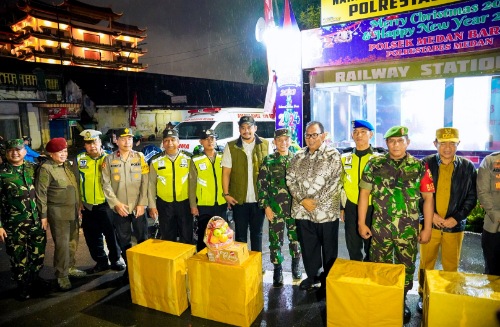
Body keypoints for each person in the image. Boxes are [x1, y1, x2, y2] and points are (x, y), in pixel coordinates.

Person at [357, 126, 434, 323]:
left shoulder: (420, 167)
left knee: (405, 268)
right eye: (392, 141)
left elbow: (428, 199)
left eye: (400, 141)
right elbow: (364, 194)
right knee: (380, 267)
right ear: (387, 144)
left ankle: (401, 300)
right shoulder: (374, 165)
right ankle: (382, 299)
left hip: (407, 231)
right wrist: (361, 222)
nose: (396, 145)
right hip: (380, 229)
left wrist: (427, 228)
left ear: (408, 142)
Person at [416, 127, 477, 313]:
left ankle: (449, 297)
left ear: (458, 144)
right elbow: (416, 194)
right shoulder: (425, 164)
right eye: (443, 143)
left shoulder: (467, 167)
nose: (447, 147)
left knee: (451, 264)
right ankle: (423, 295)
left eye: (452, 143)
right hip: (429, 224)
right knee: (427, 262)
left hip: (454, 226)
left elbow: (472, 196)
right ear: (435, 144)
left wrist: (456, 218)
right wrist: (430, 215)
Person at [286, 121, 343, 291]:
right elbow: (290, 179)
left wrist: (315, 203)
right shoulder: (298, 156)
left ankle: (328, 280)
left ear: (323, 136)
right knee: (308, 246)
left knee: (329, 249)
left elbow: (335, 183)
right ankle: (312, 277)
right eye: (308, 135)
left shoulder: (333, 155)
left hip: (325, 212)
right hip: (302, 211)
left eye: (314, 135)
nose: (310, 139)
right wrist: (303, 200)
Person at [35, 137, 86, 291]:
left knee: (73, 242)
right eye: (59, 152)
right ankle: (61, 275)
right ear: (51, 153)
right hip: (58, 214)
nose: (63, 154)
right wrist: (43, 216)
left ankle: (70, 267)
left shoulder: (67, 166)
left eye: (64, 151)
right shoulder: (46, 169)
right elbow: (41, 194)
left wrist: (79, 207)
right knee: (62, 245)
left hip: (73, 211)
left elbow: (74, 187)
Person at [0, 139, 46, 300]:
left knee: (37, 254)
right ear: (6, 153)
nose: (15, 152)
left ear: (25, 151)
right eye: (11, 150)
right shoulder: (2, 173)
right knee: (18, 257)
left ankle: (34, 279)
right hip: (13, 224)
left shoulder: (33, 168)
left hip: (36, 221)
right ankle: (22, 285)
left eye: (18, 149)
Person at [101, 127, 149, 283]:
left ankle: (144, 269)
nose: (127, 142)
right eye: (123, 139)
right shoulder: (108, 160)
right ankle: (130, 270)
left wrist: (142, 204)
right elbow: (106, 184)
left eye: (129, 138)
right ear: (116, 140)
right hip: (120, 209)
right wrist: (115, 204)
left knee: (142, 239)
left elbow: (145, 182)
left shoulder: (140, 157)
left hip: (138, 208)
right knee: (124, 241)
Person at [76, 130, 125, 274]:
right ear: (85, 145)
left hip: (106, 204)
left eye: (94, 142)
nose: (92, 146)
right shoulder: (80, 159)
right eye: (88, 143)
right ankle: (101, 261)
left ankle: (116, 259)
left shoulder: (110, 158)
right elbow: (76, 182)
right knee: (92, 236)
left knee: (111, 234)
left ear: (100, 143)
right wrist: (79, 201)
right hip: (88, 205)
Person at [257, 128, 301, 288]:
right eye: (280, 140)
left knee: (295, 239)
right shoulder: (268, 161)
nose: (283, 143)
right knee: (275, 241)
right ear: (274, 142)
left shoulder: (297, 159)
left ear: (290, 141)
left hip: (294, 209)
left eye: (286, 140)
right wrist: (266, 207)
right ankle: (277, 269)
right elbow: (261, 186)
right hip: (275, 209)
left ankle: (296, 266)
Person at [222, 115, 270, 252]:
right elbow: (226, 172)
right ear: (239, 130)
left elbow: (270, 173)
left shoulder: (265, 145)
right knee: (240, 236)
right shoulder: (231, 146)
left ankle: (256, 266)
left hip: (258, 199)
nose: (246, 131)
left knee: (257, 234)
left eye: (249, 127)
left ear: (255, 128)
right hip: (239, 200)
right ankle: (242, 266)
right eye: (243, 128)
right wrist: (226, 194)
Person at [340, 120, 384, 262]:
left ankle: (369, 278)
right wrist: (342, 207)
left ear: (371, 134)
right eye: (356, 132)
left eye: (363, 132)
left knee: (372, 246)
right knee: (353, 246)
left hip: (373, 207)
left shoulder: (379, 157)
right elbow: (340, 183)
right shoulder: (344, 157)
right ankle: (357, 276)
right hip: (351, 206)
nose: (359, 135)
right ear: (352, 135)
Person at [148, 128, 192, 244]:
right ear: (163, 143)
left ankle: (186, 261)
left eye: (173, 140)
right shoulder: (155, 160)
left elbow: (194, 182)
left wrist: (194, 204)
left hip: (185, 203)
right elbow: (151, 184)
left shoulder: (189, 159)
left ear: (179, 142)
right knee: (168, 237)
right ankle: (171, 261)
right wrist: (152, 206)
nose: (170, 143)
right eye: (166, 140)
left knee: (187, 236)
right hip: (164, 204)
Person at [189, 129, 226, 251]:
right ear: (201, 141)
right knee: (204, 237)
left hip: (221, 203)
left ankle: (218, 262)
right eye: (206, 139)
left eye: (212, 138)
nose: (210, 141)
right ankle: (202, 262)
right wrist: (193, 205)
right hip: (204, 205)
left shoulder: (224, 157)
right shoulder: (196, 160)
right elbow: (192, 184)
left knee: (221, 235)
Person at [477, 152, 500, 277]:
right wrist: (496, 216)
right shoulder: (490, 160)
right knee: (492, 273)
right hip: (494, 227)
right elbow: (483, 192)